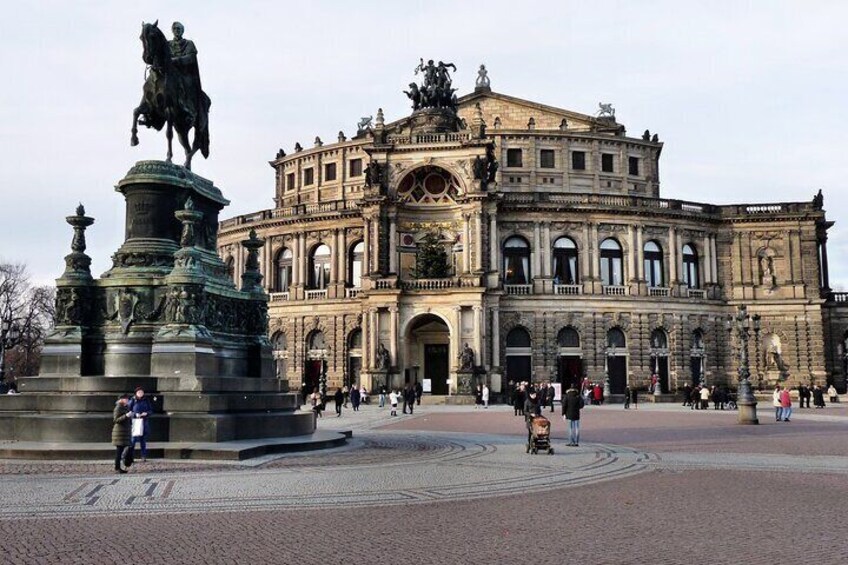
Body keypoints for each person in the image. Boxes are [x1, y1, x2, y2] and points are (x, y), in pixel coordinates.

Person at [128, 387, 153, 462]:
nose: (140, 393)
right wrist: (135, 414)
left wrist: (146, 413)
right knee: (133, 440)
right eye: (139, 392)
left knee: (143, 440)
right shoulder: (132, 400)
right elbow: (129, 410)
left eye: (142, 392)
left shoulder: (146, 400)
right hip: (135, 421)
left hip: (144, 421)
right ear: (136, 393)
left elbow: (151, 410)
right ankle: (130, 456)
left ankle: (143, 456)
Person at [112, 394, 132, 474]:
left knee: (121, 450)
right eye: (126, 399)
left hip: (124, 432)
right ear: (121, 399)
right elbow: (116, 420)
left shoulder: (125, 407)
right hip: (119, 433)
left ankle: (119, 466)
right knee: (119, 451)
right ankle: (117, 467)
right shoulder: (118, 407)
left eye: (127, 399)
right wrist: (126, 416)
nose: (127, 400)